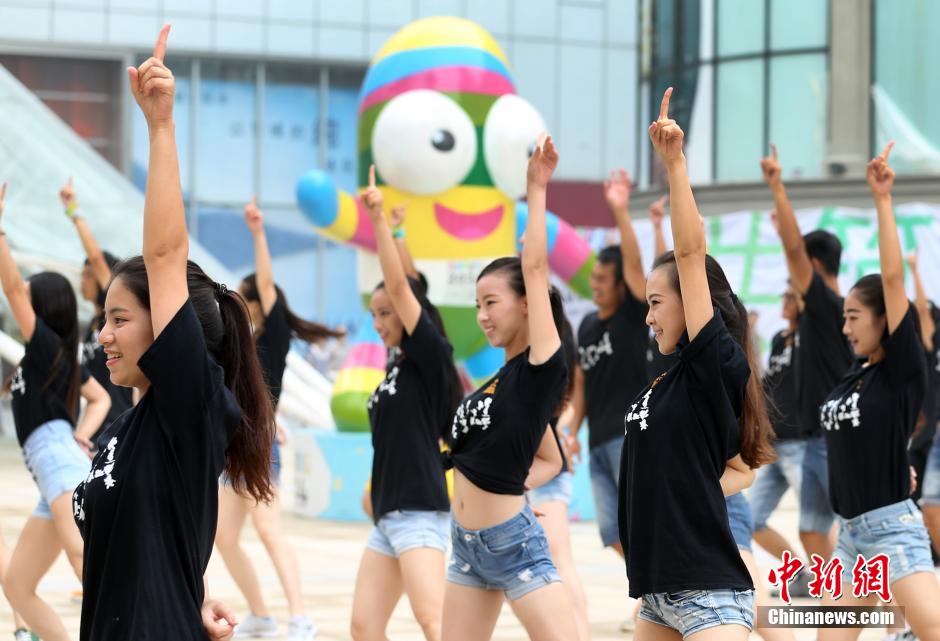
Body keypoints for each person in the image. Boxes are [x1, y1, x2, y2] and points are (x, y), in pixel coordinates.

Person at [71, 25, 274, 641]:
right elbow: (152, 536)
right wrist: (199, 591)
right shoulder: (127, 429)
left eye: (120, 319)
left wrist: (160, 127)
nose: (105, 335)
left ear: (168, 331)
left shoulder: (189, 406)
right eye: (104, 320)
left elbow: (163, 256)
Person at [622, 88, 775, 641]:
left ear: (693, 303)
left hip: (708, 594)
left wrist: (674, 164)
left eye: (655, 304)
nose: (648, 317)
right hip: (657, 595)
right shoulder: (668, 383)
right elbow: (730, 469)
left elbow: (689, 254)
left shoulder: (714, 364)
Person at [441, 135, 575, 641]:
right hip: (467, 547)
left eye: (490, 303)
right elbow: (552, 460)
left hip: (512, 546)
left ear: (526, 304)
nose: (481, 315)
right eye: (477, 305)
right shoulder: (500, 383)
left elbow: (534, 267)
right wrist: (517, 486)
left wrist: (535, 188)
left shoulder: (540, 367)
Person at [816, 144, 940, 641]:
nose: (845, 328)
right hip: (849, 537)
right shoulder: (854, 374)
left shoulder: (900, 370)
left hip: (892, 531)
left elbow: (892, 278)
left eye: (853, 317)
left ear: (885, 321)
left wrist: (882, 200)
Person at [215, 198, 341, 641]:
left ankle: (301, 618)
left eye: (243, 296)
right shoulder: (245, 346)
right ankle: (262, 615)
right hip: (238, 443)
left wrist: (257, 233)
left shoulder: (277, 333)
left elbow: (266, 283)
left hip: (258, 445)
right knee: (224, 538)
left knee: (269, 531)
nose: (238, 303)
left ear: (257, 303)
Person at [349, 166, 463, 641]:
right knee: (364, 628)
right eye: (373, 314)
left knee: (433, 622)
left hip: (419, 513)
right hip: (389, 515)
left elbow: (402, 285)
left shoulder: (430, 356)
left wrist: (379, 220)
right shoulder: (396, 367)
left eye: (385, 314)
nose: (378, 323)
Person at [0, 181, 111, 641]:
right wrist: (82, 434)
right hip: (52, 468)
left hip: (58, 463)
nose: (19, 297)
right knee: (17, 584)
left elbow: (10, 286)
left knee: (84, 559)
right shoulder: (50, 358)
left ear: (41, 307)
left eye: (28, 294)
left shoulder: (46, 346)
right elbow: (100, 399)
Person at [761, 144, 845, 564]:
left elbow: (795, 252)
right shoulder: (816, 316)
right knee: (812, 529)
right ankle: (838, 594)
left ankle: (880, 602)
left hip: (832, 440)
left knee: (853, 525)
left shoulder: (828, 307)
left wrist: (778, 188)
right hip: (815, 437)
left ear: (813, 264)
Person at [566, 168, 650, 565]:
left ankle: (659, 587)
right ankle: (651, 586)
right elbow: (581, 381)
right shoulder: (586, 325)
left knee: (640, 521)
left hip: (629, 436)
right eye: (593, 278)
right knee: (612, 531)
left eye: (603, 279)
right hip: (598, 440)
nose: (595, 284)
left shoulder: (632, 315)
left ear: (621, 285)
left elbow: (633, 262)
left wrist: (619, 210)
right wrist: (572, 430)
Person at [526, 319, 590, 641]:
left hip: (548, 473)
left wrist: (564, 432)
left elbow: (569, 407)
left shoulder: (552, 356)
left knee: (558, 558)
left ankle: (580, 634)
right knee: (546, 563)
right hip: (528, 472)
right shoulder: (531, 359)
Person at [748, 282, 813, 596]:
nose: (784, 300)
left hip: (803, 444)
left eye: (791, 295)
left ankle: (841, 584)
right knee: (752, 520)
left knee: (817, 522)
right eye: (783, 294)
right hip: (776, 444)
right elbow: (767, 386)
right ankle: (803, 574)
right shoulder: (778, 339)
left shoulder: (812, 339)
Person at [60, 177, 134, 443]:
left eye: (88, 274)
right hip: (98, 425)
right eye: (82, 274)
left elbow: (95, 256)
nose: (83, 281)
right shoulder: (94, 323)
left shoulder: (110, 311)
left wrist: (73, 211)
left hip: (117, 420)